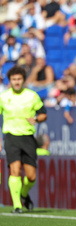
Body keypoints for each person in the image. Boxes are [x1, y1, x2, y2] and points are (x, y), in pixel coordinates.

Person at [0, 66, 47, 213]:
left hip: (27, 137)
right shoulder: (3, 97)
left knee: (31, 176)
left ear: (23, 80)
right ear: (10, 81)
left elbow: (43, 114)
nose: (16, 82)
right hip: (11, 137)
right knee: (14, 170)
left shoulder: (32, 96)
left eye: (19, 79)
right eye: (14, 79)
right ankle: (17, 206)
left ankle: (24, 194)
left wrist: (36, 119)